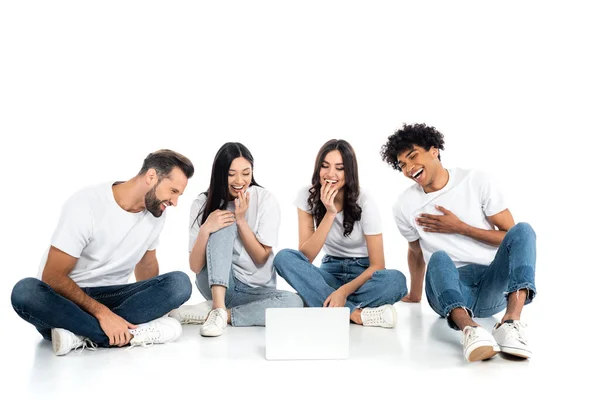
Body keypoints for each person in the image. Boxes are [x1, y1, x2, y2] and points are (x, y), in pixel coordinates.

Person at [11, 149, 195, 356]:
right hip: (65, 302)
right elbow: (52, 276)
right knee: (25, 292)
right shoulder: (87, 204)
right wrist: (102, 314)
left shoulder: (156, 213)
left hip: (112, 295)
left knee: (179, 283)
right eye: (173, 191)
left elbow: (147, 264)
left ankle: (79, 335)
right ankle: (125, 334)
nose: (175, 202)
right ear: (151, 177)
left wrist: (155, 307)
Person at [381, 123, 536, 362]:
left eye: (413, 157)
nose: (409, 168)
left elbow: (510, 239)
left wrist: (461, 228)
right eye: (402, 164)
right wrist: (414, 293)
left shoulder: (475, 181)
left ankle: (511, 322)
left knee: (523, 230)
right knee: (439, 257)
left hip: (490, 285)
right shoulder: (404, 204)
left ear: (434, 151)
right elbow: (415, 250)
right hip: (447, 288)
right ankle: (470, 331)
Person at [169, 142, 303, 337]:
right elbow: (196, 267)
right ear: (220, 174)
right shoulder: (202, 203)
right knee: (222, 220)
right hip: (217, 285)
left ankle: (219, 314)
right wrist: (206, 229)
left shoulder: (265, 200)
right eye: (231, 174)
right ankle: (217, 306)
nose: (239, 180)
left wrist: (241, 220)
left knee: (295, 302)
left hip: (256, 292)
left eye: (246, 173)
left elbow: (261, 259)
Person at [273, 139, 407, 328]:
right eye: (325, 166)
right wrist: (329, 214)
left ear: (349, 172)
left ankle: (322, 299)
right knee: (283, 258)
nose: (330, 174)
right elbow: (305, 257)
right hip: (329, 271)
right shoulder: (307, 196)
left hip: (363, 274)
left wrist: (343, 293)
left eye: (339, 168)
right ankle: (355, 313)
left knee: (396, 281)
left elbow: (378, 265)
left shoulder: (365, 201)